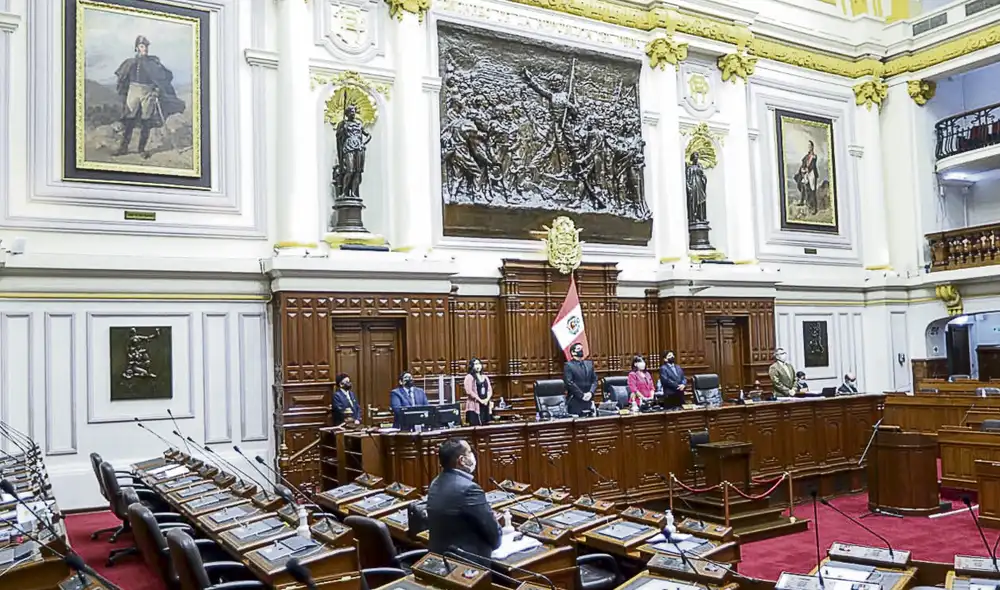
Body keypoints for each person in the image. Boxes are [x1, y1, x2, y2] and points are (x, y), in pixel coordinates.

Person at [426, 438, 502, 560]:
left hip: (441, 558)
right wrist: (494, 522)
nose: (473, 456)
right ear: (462, 460)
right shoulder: (469, 489)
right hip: (468, 563)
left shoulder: (435, 483)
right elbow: (494, 537)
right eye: (470, 452)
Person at [113, 35, 185, 158]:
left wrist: (157, 89)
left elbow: (166, 76)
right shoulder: (130, 62)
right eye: (142, 46)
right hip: (133, 91)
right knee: (129, 119)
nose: (145, 48)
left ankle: (142, 149)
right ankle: (123, 148)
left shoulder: (153, 63)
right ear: (137, 48)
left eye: (146, 46)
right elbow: (122, 78)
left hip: (148, 93)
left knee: (146, 120)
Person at [562, 342, 597, 416]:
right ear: (573, 352)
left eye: (581, 348)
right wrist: (582, 395)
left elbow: (595, 380)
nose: (581, 350)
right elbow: (569, 382)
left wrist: (591, 392)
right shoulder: (568, 365)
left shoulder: (589, 364)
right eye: (578, 349)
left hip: (589, 399)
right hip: (575, 400)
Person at [463, 358, 492, 426]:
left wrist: (487, 399)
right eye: (476, 364)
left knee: (486, 427)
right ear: (471, 366)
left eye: (479, 364)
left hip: (485, 405)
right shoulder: (469, 377)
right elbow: (469, 391)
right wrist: (480, 400)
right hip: (474, 406)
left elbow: (489, 390)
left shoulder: (485, 377)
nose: (478, 366)